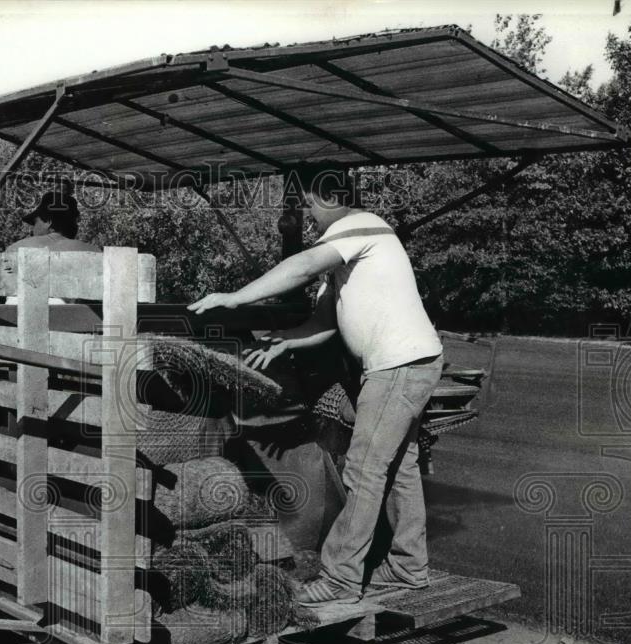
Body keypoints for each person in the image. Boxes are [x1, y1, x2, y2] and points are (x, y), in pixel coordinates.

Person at [188, 169, 443, 605]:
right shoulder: (349, 249)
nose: (305, 216)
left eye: (306, 204)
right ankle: (408, 565)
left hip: (398, 365)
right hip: (412, 362)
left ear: (326, 196)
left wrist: (234, 298)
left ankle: (341, 578)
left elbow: (301, 266)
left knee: (363, 468)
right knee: (398, 466)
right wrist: (283, 341)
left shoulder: (359, 226)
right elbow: (325, 321)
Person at [3, 190, 101, 304]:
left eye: (34, 223)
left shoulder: (16, 249)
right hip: (70, 318)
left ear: (48, 221)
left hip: (14, 318)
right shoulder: (95, 252)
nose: (32, 230)